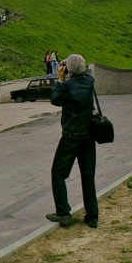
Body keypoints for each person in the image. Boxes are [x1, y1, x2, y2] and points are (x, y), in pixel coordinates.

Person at [46, 54, 98, 229]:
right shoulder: (89, 82)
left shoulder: (66, 86)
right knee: (88, 175)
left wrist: (60, 80)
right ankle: (92, 216)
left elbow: (54, 100)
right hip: (88, 136)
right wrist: (71, 66)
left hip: (70, 137)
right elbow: (84, 73)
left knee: (58, 173)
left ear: (68, 70)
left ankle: (63, 213)